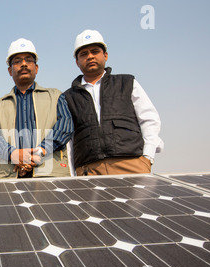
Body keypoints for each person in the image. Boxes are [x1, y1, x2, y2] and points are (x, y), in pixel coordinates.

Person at [64, 30, 164, 176]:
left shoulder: (126, 83)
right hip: (89, 170)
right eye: (83, 54)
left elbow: (149, 119)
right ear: (77, 62)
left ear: (105, 55)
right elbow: (69, 140)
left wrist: (147, 157)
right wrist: (73, 174)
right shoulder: (68, 97)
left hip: (131, 164)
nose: (90, 56)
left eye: (95, 51)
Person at [0, 38, 73, 179]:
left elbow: (65, 126)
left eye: (28, 60)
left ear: (36, 68)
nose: (24, 64)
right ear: (10, 70)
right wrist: (12, 154)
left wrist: (40, 151)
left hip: (50, 176)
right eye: (17, 61)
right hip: (12, 176)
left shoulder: (56, 96)